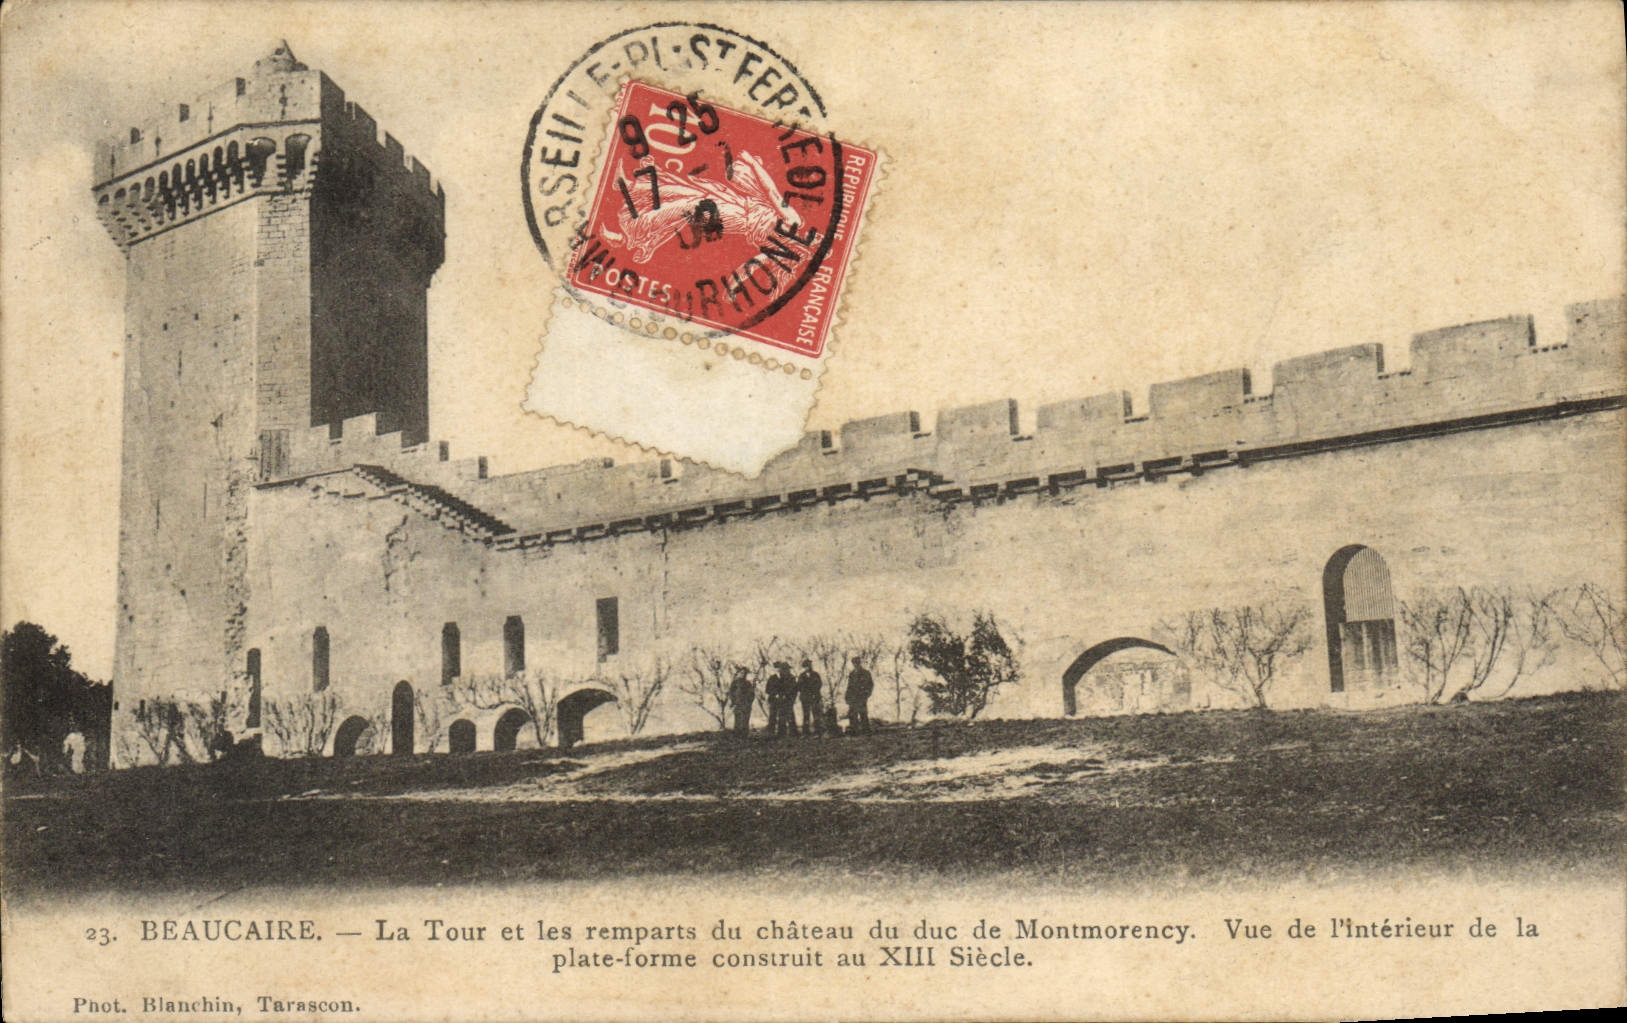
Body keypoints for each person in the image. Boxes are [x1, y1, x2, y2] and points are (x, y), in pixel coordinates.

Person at [766, 661, 797, 739]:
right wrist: (774, 694)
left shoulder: (788, 677)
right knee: (772, 716)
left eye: (780, 668)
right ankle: (771, 733)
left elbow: (790, 689)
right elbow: (768, 689)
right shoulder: (772, 678)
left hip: (785, 700)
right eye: (777, 668)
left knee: (783, 716)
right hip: (774, 700)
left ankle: (782, 733)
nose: (778, 670)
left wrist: (784, 695)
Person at [845, 655, 874, 735]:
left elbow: (870, 685)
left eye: (857, 663)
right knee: (852, 714)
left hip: (861, 697)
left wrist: (866, 694)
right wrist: (847, 696)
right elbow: (849, 686)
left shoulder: (866, 673)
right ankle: (854, 730)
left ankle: (866, 730)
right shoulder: (852, 674)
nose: (856, 665)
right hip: (853, 697)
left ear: (859, 663)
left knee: (863, 713)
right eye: (854, 663)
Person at [796, 658, 824, 736]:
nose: (808, 667)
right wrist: (805, 692)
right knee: (806, 715)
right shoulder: (801, 676)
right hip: (805, 698)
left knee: (816, 715)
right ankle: (805, 732)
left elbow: (819, 684)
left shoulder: (816, 675)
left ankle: (817, 732)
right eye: (806, 666)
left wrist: (814, 692)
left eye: (809, 666)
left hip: (814, 697)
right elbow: (799, 687)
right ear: (804, 667)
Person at [727, 665, 755, 737]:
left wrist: (749, 702)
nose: (743, 674)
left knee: (745, 720)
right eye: (742, 673)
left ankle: (744, 735)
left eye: (745, 673)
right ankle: (737, 735)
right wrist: (733, 702)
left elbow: (752, 694)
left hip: (746, 705)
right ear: (738, 673)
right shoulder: (735, 683)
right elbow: (731, 693)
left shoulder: (748, 683)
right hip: (738, 704)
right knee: (738, 720)